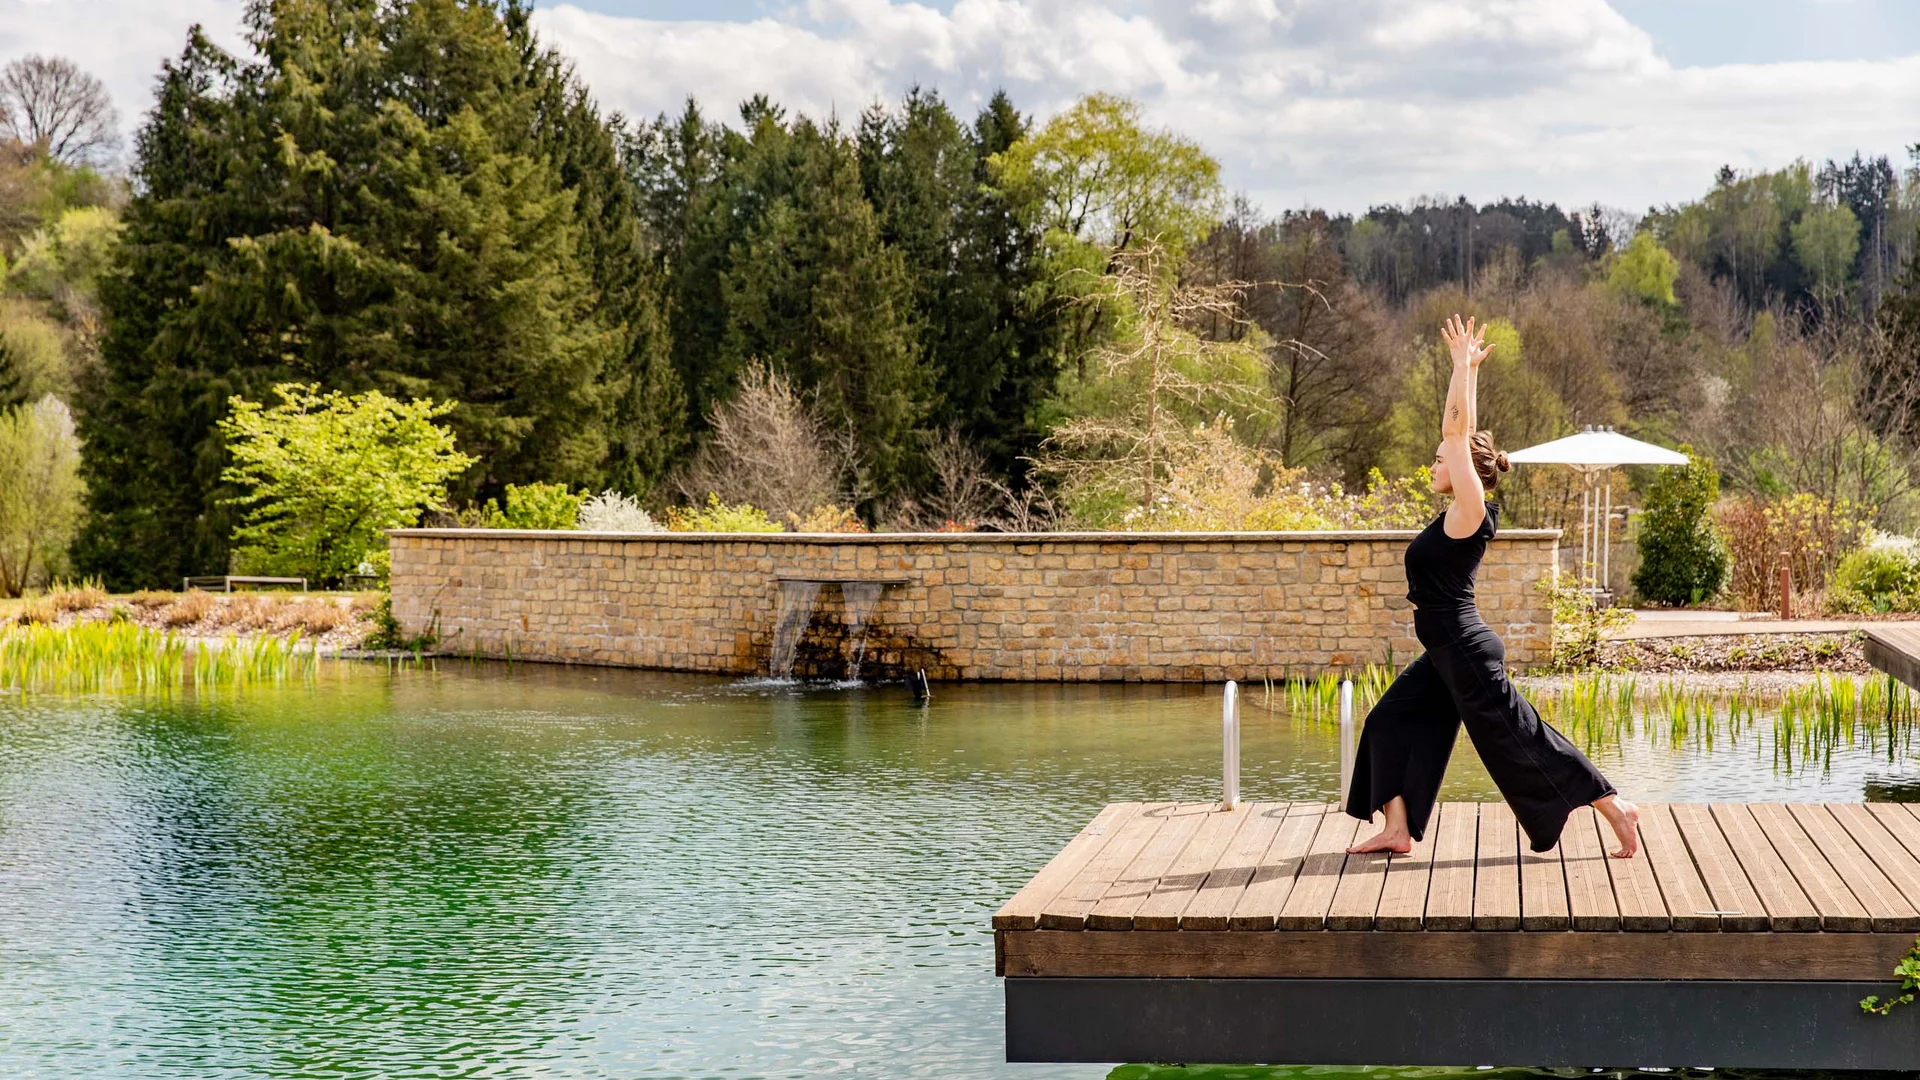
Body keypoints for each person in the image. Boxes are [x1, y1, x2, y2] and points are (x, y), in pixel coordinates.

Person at [1343, 315, 1639, 859]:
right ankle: (1397, 829)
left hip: (1464, 650)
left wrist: (1459, 368)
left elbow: (1457, 434)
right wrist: (1470, 373)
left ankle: (1614, 806)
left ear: (1465, 473)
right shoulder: (1458, 512)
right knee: (1388, 720)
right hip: (1445, 651)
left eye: (1440, 460)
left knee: (1519, 736)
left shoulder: (1469, 510)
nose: (1434, 463)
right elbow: (1463, 434)